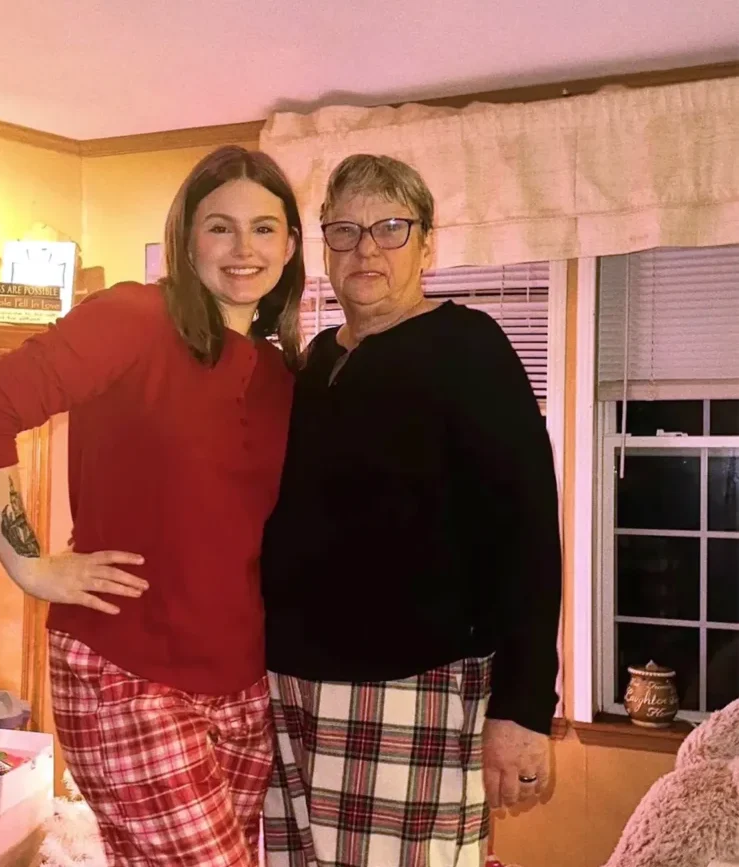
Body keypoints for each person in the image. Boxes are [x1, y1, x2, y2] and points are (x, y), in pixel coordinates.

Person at [0, 145, 306, 867]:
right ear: (185, 237)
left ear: (291, 245)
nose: (243, 248)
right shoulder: (135, 318)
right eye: (219, 227)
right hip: (124, 666)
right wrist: (29, 564)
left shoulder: (279, 373)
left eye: (264, 228)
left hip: (241, 682)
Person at [260, 153, 562, 867]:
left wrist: (521, 709)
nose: (366, 248)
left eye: (390, 228)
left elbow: (527, 536)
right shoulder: (307, 366)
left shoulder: (468, 346)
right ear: (323, 247)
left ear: (426, 243)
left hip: (413, 688)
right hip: (284, 686)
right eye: (344, 229)